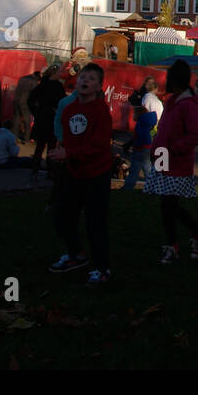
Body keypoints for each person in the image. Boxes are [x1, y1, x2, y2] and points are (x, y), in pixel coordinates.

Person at [48, 63, 116, 285]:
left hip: (97, 173)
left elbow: (98, 146)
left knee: (95, 222)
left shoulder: (101, 111)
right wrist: (64, 153)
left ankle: (101, 267)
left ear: (99, 86)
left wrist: (69, 152)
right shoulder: (69, 110)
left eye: (92, 79)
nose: (85, 81)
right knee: (62, 215)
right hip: (73, 171)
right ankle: (76, 254)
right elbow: (69, 138)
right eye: (83, 77)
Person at [145, 58, 198, 265]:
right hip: (164, 158)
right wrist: (156, 149)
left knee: (169, 205)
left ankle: (192, 236)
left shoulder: (185, 105)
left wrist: (173, 149)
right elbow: (164, 130)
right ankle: (181, 240)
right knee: (167, 205)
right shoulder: (174, 102)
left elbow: (197, 134)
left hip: (175, 160)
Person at [29, 63, 66, 174]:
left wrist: (37, 112)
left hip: (43, 118)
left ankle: (35, 171)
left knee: (40, 146)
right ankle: (50, 171)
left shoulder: (42, 85)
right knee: (50, 146)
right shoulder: (57, 86)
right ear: (55, 73)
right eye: (59, 72)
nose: (61, 74)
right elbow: (62, 102)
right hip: (51, 119)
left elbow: (30, 100)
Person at [122, 86, 158, 190]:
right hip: (146, 149)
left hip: (140, 149)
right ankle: (152, 186)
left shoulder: (141, 124)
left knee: (135, 168)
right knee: (147, 168)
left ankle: (129, 187)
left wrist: (133, 145)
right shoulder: (145, 124)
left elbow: (139, 137)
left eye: (134, 113)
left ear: (139, 114)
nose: (132, 115)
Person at [12, 70, 40, 144]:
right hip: (24, 103)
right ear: (37, 77)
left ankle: (14, 138)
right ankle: (26, 139)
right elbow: (35, 94)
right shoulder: (33, 82)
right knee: (27, 121)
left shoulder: (22, 78)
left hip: (16, 100)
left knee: (16, 120)